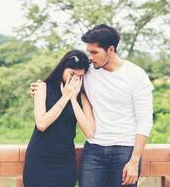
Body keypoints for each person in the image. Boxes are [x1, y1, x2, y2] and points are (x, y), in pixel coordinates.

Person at [30, 24, 154, 187]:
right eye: (89, 51)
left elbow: (145, 119)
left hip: (125, 149)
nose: (90, 57)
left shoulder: (136, 75)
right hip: (94, 149)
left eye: (94, 52)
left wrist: (134, 160)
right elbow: (64, 79)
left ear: (110, 50)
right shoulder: (88, 73)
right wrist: (39, 88)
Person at [23, 50, 95, 187]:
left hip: (65, 159)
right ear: (62, 68)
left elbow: (90, 132)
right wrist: (65, 97)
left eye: (80, 77)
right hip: (39, 157)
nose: (74, 80)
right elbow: (42, 124)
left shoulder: (82, 96)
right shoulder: (42, 87)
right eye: (72, 74)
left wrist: (73, 99)